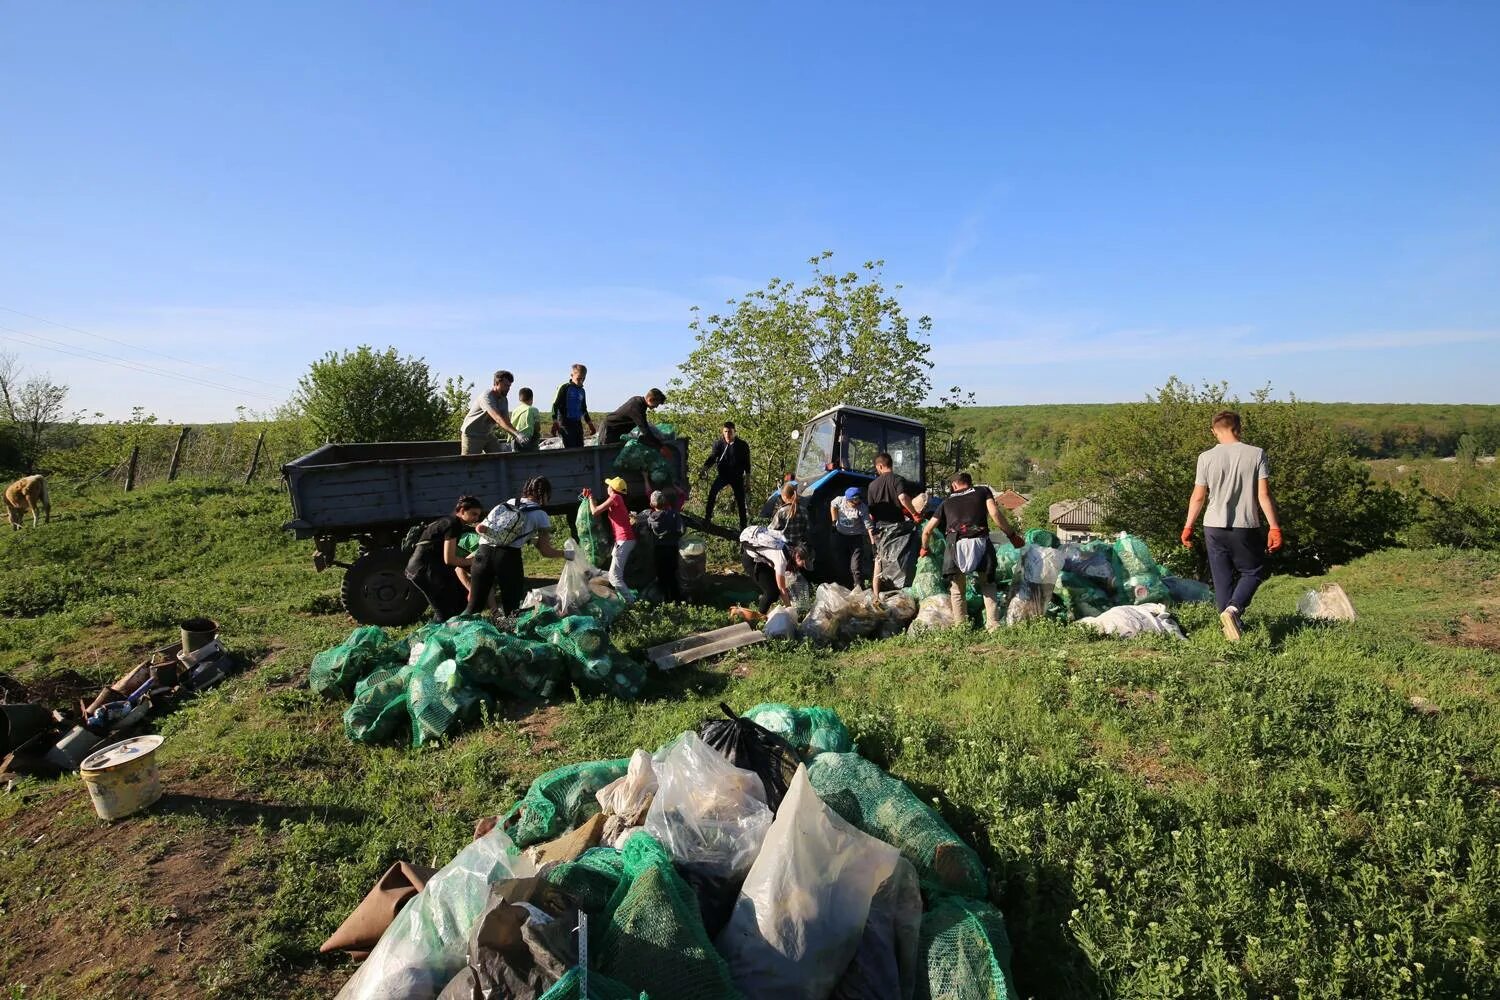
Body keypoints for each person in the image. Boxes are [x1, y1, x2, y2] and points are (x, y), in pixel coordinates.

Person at [1180, 409, 1282, 641]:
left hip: (1212, 526)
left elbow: (1198, 497)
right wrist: (1274, 527)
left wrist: (1188, 527)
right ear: (1238, 428)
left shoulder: (1205, 457)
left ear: (1214, 431)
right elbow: (1263, 495)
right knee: (1253, 571)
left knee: (1222, 577)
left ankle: (1228, 626)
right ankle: (1234, 610)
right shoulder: (1256, 454)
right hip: (1245, 525)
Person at [921, 472, 1024, 631]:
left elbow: (927, 531)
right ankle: (993, 626)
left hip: (955, 545)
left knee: (957, 591)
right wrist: (1012, 535)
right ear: (970, 483)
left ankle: (961, 627)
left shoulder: (946, 502)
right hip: (980, 541)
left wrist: (924, 548)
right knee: (988, 585)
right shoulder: (983, 491)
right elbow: (995, 513)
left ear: (954, 485)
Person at [464, 476, 570, 616]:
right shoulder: (541, 515)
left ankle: (449, 632)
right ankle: (509, 634)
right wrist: (566, 553)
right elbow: (546, 551)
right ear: (544, 494)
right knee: (511, 608)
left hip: (482, 553)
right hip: (507, 558)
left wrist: (530, 540)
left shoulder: (507, 503)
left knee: (473, 607)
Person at [405, 495, 485, 621]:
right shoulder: (452, 524)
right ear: (462, 511)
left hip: (432, 567)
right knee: (444, 611)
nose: (476, 518)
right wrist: (473, 561)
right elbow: (450, 559)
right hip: (423, 569)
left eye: (478, 515)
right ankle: (434, 636)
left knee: (461, 600)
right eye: (474, 514)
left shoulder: (451, 521)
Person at [867, 452, 921, 599]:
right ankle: (902, 595)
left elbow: (871, 513)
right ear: (891, 464)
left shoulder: (872, 485)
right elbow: (903, 497)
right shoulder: (897, 479)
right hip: (897, 528)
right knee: (902, 560)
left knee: (879, 561)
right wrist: (914, 513)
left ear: (880, 466)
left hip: (881, 529)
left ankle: (877, 596)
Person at [740, 525, 811, 614]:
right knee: (771, 593)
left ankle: (766, 609)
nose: (802, 566)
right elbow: (781, 588)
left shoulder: (790, 548)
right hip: (751, 561)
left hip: (763, 559)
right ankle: (759, 619)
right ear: (797, 556)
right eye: (803, 563)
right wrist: (790, 611)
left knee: (774, 591)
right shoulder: (781, 559)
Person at [588, 476, 638, 598]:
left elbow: (595, 512)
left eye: (609, 485)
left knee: (615, 578)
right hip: (623, 540)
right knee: (612, 575)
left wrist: (590, 498)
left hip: (624, 540)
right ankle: (626, 601)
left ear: (613, 488)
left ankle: (632, 604)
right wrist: (591, 499)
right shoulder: (618, 498)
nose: (607, 487)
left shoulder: (615, 497)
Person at [701, 421, 752, 530]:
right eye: (725, 432)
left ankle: (743, 527)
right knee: (712, 492)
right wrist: (705, 469)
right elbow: (712, 457)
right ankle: (707, 518)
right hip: (723, 475)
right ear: (722, 432)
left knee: (740, 501)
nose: (728, 435)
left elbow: (747, 464)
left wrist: (748, 481)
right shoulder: (719, 444)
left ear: (735, 432)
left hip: (737, 477)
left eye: (730, 432)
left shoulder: (742, 445)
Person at [460, 370, 524, 455]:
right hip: (472, 435)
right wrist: (517, 434)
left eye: (509, 386)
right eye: (505, 385)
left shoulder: (504, 400)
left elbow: (506, 422)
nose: (508, 389)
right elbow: (498, 418)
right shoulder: (487, 396)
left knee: (499, 457)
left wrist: (517, 436)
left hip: (487, 434)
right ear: (497, 383)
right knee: (469, 464)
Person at [828, 486, 876, 589]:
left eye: (858, 500)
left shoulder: (862, 508)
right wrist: (833, 522)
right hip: (841, 536)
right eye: (854, 501)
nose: (857, 503)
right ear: (848, 500)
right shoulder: (840, 500)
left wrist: (873, 544)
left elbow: (869, 527)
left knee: (855, 566)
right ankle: (845, 587)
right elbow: (832, 505)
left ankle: (859, 588)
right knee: (841, 563)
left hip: (856, 538)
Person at [642, 488, 684, 602]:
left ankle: (665, 600)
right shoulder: (673, 514)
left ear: (651, 504)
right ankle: (677, 600)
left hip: (659, 550)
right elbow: (681, 530)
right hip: (672, 549)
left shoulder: (650, 519)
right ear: (665, 502)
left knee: (661, 575)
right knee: (673, 574)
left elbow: (648, 531)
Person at [601, 388, 668, 447]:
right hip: (609, 429)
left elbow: (644, 425)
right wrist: (660, 446)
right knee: (607, 453)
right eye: (657, 404)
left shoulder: (640, 403)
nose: (656, 407)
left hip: (616, 432)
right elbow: (645, 430)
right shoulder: (636, 406)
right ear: (650, 399)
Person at [550, 363, 596, 448]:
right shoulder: (564, 388)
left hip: (577, 422)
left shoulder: (582, 391)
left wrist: (590, 424)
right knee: (570, 446)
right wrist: (555, 421)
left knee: (580, 445)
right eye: (579, 379)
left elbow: (584, 409)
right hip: (565, 423)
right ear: (572, 375)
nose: (581, 381)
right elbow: (555, 405)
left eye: (583, 379)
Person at [768, 481, 810, 566]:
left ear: (784, 496)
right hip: (799, 548)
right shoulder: (804, 510)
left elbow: (770, 530)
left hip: (784, 548)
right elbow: (807, 530)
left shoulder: (782, 511)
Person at [512, 387, 541, 451]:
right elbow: (537, 427)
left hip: (514, 439)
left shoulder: (515, 410)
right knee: (537, 434)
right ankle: (535, 452)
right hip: (526, 440)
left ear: (519, 399)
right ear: (531, 398)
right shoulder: (533, 409)